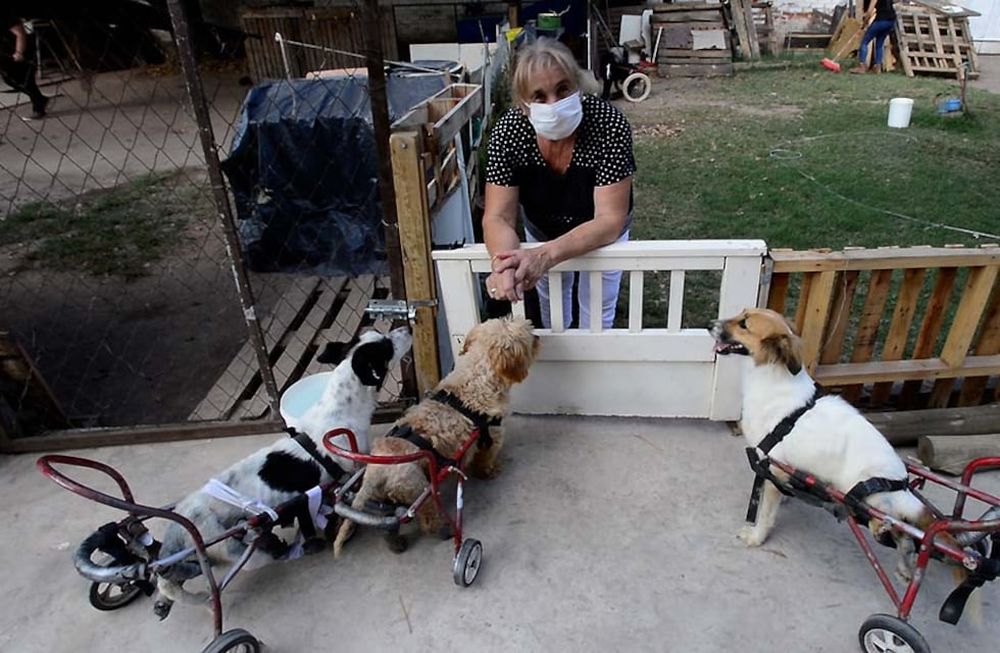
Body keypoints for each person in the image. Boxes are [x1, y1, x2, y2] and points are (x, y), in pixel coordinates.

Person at [483, 38, 635, 330]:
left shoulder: (608, 124)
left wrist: (544, 255)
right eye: (539, 97)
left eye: (563, 89)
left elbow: (610, 219)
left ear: (578, 86)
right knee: (553, 304)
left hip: (599, 232)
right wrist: (504, 263)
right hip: (542, 225)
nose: (554, 104)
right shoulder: (508, 131)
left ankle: (596, 365)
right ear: (524, 105)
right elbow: (498, 216)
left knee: (598, 307)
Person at [1, 15, 49, 119]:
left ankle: (38, 107)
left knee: (25, 81)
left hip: (18, 51)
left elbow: (20, 33)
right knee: (10, 80)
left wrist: (19, 52)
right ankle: (39, 99)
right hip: (6, 53)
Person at [850, 0, 896, 75]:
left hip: (881, 20)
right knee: (879, 44)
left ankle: (862, 67)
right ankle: (878, 68)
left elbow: (869, 11)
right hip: (890, 21)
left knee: (864, 42)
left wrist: (864, 23)